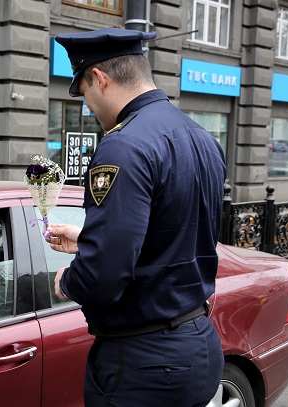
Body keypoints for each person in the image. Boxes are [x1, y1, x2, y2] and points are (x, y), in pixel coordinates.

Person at [48, 27, 227, 406]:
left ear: (99, 78)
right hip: (198, 345)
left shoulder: (123, 145)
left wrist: (68, 282)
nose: (89, 107)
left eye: (83, 94)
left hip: (143, 364)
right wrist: (89, 238)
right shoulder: (202, 138)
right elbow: (177, 232)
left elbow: (103, 277)